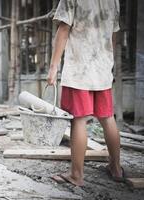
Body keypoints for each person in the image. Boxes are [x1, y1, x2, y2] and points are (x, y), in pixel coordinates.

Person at [47, 0, 123, 186]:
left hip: (79, 69)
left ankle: (76, 175)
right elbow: (113, 35)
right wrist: (108, 63)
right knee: (107, 118)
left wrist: (53, 66)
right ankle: (116, 167)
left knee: (79, 119)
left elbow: (63, 30)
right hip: (103, 67)